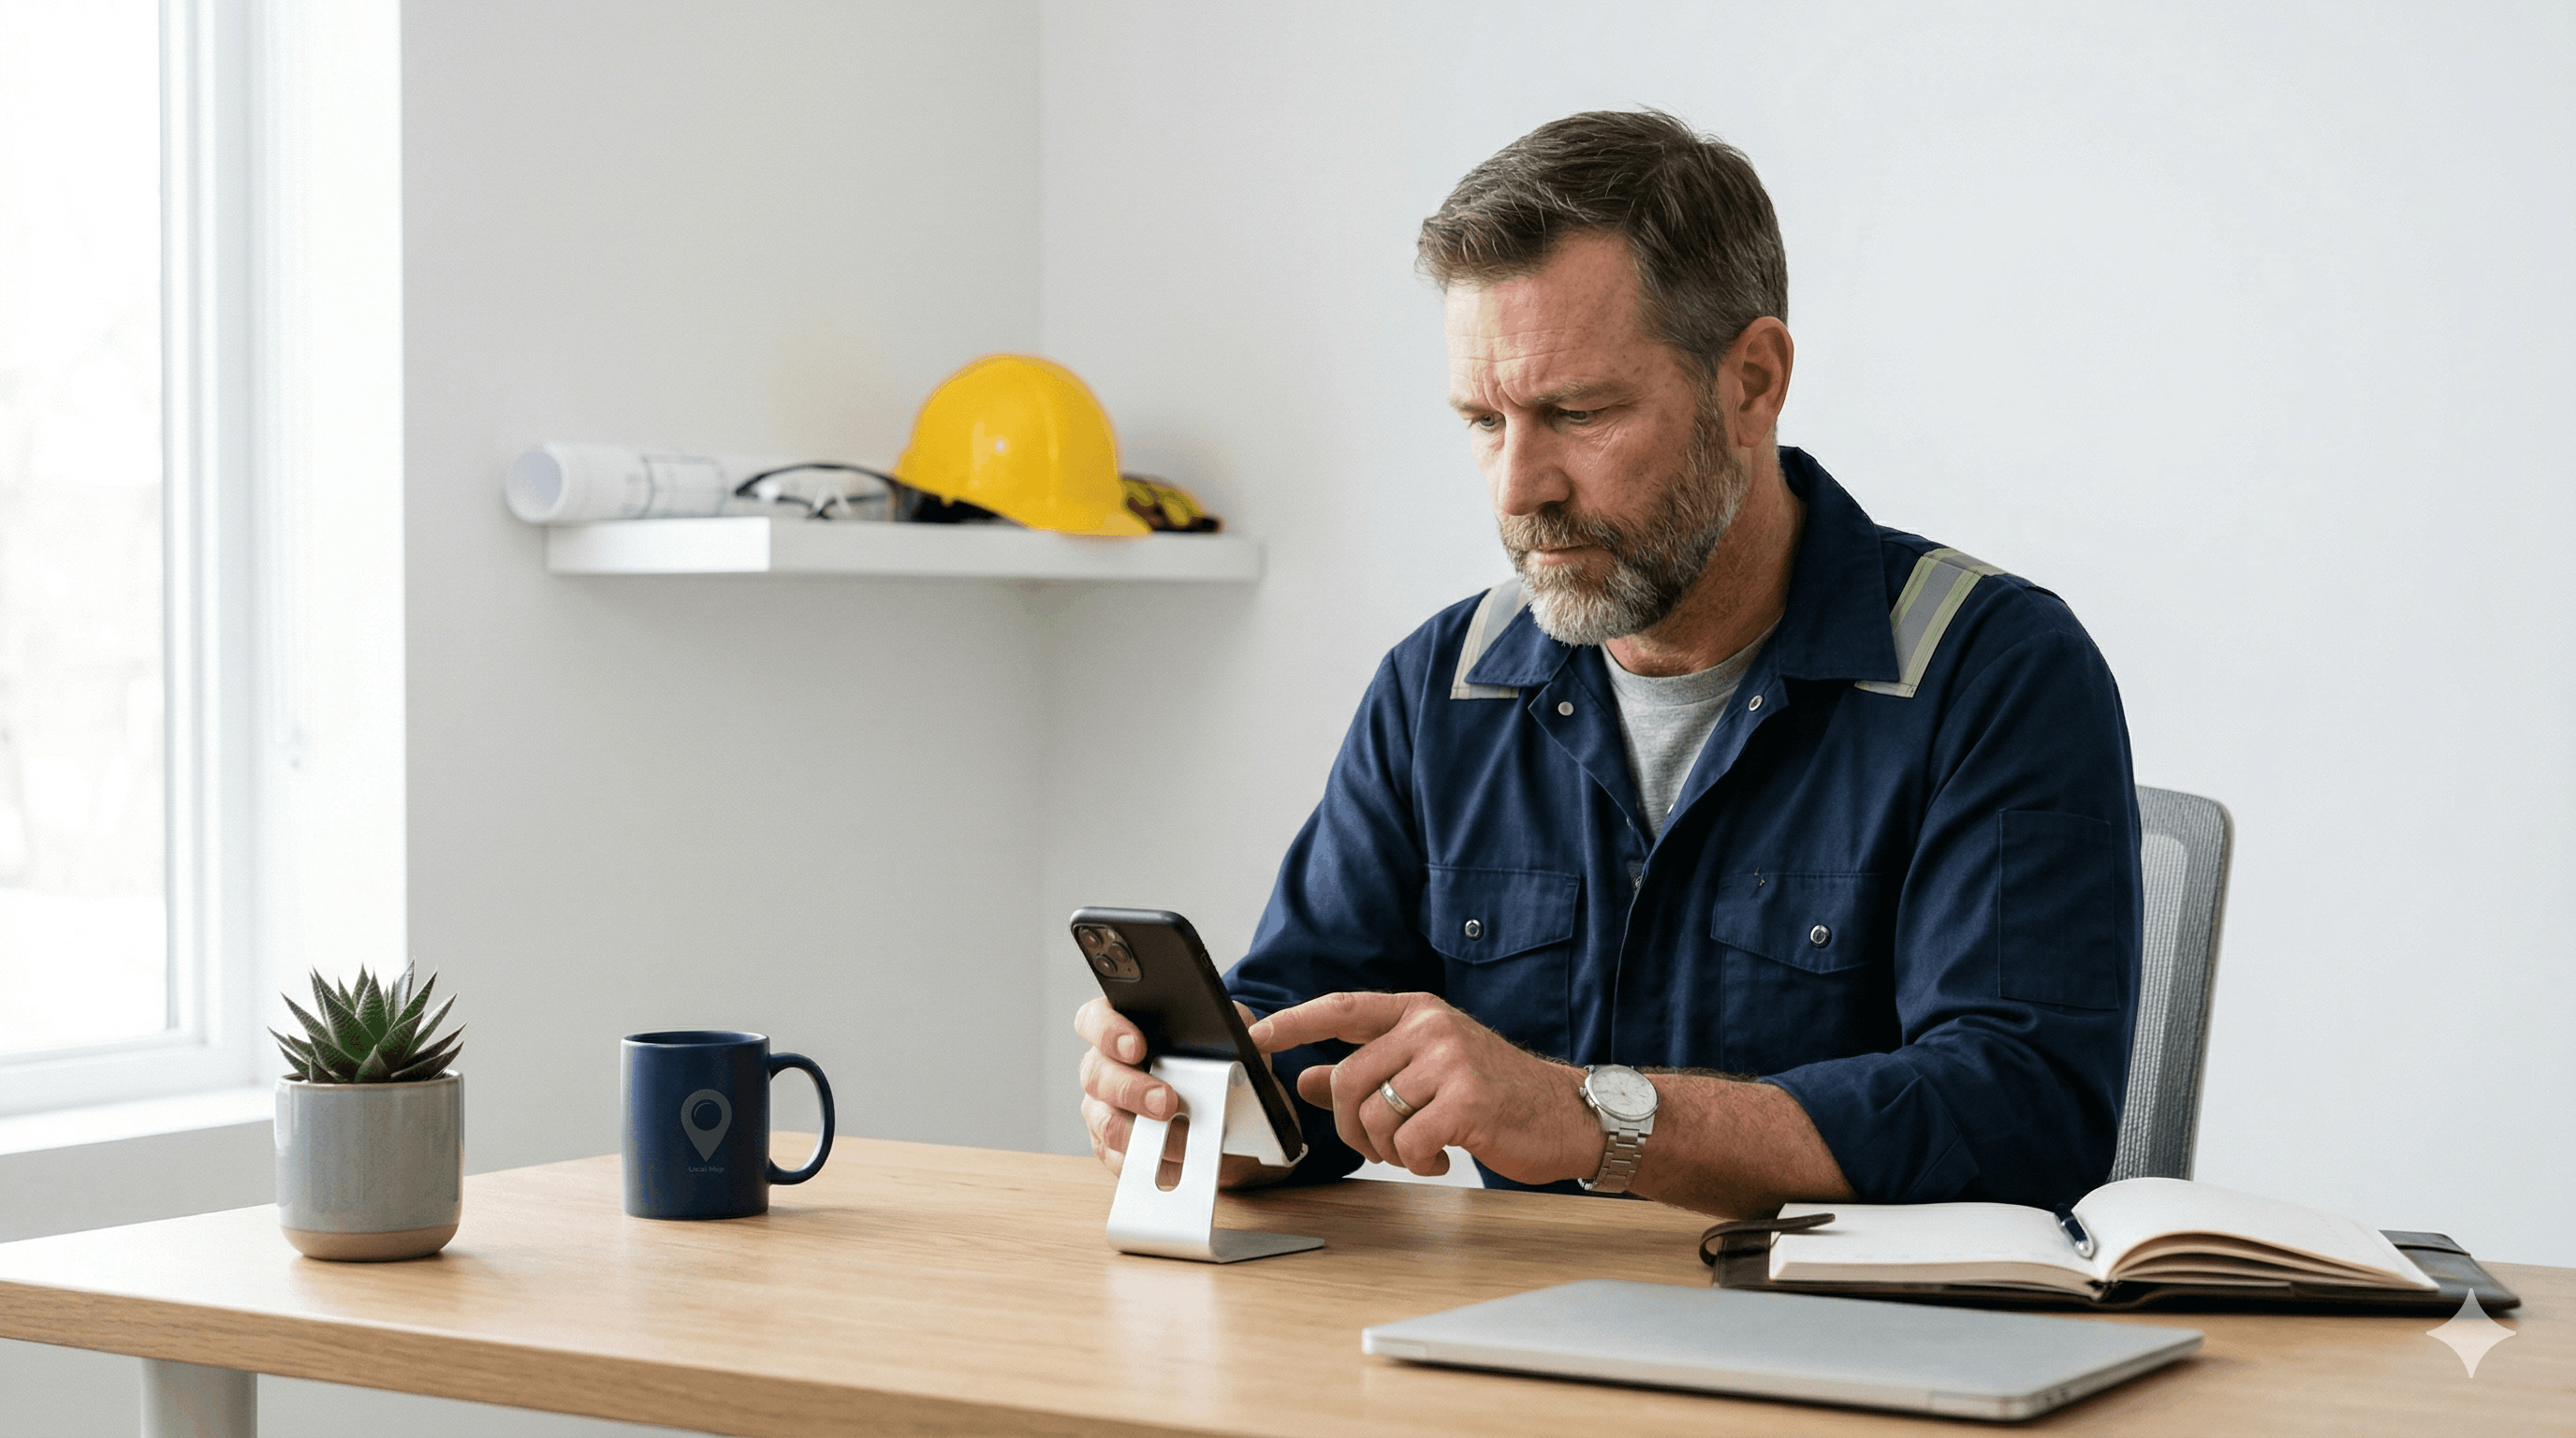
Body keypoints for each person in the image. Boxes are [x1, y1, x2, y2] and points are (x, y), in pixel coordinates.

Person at [1076, 110, 2142, 1216]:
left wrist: (1591, 1115)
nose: (1516, 487)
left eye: (1576, 413)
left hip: (1839, 1323)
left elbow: (2020, 1119)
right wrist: (1199, 1104)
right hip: (1521, 1316)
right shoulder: (1441, 688)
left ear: (1751, 383)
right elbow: (1305, 1035)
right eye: (1483, 421)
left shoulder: (1997, 674)